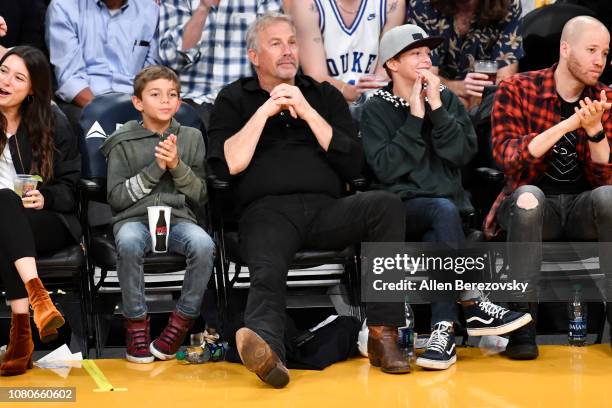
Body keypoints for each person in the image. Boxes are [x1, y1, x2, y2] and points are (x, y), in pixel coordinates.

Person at [208, 12, 411, 388]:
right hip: (267, 213)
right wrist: (266, 110)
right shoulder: (234, 98)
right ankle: (270, 354)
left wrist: (306, 109)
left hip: (327, 211)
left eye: (292, 42)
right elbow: (228, 164)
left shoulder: (323, 95)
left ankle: (385, 334)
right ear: (254, 56)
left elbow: (354, 164)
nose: (288, 51)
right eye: (276, 43)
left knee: (385, 205)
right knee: (267, 270)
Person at [360, 24, 532, 371]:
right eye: (416, 53)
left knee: (444, 215)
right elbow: (386, 168)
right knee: (443, 210)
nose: (426, 59)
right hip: (400, 209)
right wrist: (414, 117)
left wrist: (436, 108)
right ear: (392, 64)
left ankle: (442, 337)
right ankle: (463, 310)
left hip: (446, 213)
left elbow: (461, 153)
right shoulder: (376, 108)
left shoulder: (446, 99)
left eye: (427, 53)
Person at [487, 15, 612, 358]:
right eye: (591, 50)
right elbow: (508, 158)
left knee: (610, 197)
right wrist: (567, 125)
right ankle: (522, 329)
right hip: (531, 209)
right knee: (530, 197)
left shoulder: (604, 98)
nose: (599, 60)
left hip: (579, 211)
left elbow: (606, 177)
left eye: (604, 52)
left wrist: (595, 130)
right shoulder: (517, 88)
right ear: (565, 48)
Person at [100, 65, 215, 364]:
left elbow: (200, 195)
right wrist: (156, 169)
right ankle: (136, 326)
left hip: (179, 219)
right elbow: (116, 199)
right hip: (134, 219)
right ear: (138, 102)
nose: (165, 101)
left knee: (203, 245)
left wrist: (177, 165)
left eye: (172, 95)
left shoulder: (191, 137)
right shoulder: (122, 140)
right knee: (127, 244)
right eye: (155, 94)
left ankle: (180, 324)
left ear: (179, 102)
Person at [0, 46, 81, 376]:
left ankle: (23, 332)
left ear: (33, 89)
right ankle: (37, 307)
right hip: (7, 226)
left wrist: (46, 198)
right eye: (3, 70)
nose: (6, 81)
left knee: (4, 203)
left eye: (19, 77)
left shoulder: (51, 125)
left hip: (46, 222)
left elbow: (73, 189)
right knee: (3, 209)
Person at [158, 0, 284, 129]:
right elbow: (171, 59)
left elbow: (273, 53)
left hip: (244, 98)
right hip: (192, 98)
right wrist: (202, 10)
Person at [46, 0, 159, 133]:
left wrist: (138, 109)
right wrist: (108, 113)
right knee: (89, 126)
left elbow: (152, 76)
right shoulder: (63, 6)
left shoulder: (151, 10)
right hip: (85, 102)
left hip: (136, 102)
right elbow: (70, 77)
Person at [406, 0, 524, 108]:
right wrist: (459, 88)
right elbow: (424, 77)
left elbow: (505, 79)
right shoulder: (423, 4)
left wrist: (477, 106)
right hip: (436, 100)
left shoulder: (508, 4)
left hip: (487, 103)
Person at [291, 0, 404, 103]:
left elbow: (386, 71)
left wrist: (367, 94)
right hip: (327, 102)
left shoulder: (391, 3)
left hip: (374, 101)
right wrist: (348, 91)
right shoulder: (307, 4)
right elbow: (315, 75)